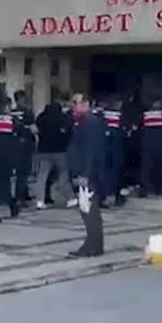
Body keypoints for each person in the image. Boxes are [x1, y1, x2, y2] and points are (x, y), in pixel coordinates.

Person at [67, 94, 107, 257]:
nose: (73, 106)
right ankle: (95, 244)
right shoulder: (86, 121)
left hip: (88, 174)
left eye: (76, 103)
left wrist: (85, 173)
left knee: (88, 209)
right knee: (89, 209)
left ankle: (92, 245)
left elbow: (90, 150)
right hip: (87, 171)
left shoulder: (89, 122)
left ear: (85, 104)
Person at [33, 95, 72, 209]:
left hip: (43, 150)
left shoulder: (41, 117)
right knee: (63, 173)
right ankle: (69, 196)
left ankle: (39, 200)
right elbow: (69, 133)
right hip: (60, 151)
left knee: (42, 175)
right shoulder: (63, 118)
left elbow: (36, 129)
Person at [138, 98, 162, 197]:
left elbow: (140, 128)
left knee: (146, 167)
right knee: (160, 166)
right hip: (160, 143)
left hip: (147, 143)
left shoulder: (144, 114)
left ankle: (144, 189)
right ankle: (159, 189)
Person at [10, 90, 36, 205]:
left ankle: (23, 194)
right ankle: (19, 197)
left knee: (16, 172)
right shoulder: (28, 112)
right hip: (26, 144)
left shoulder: (11, 113)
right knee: (23, 172)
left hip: (13, 144)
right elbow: (33, 129)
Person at [101, 97, 127, 207]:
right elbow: (124, 132)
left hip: (103, 147)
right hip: (116, 147)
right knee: (115, 172)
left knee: (103, 172)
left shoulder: (102, 115)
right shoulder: (120, 116)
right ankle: (115, 195)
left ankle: (103, 195)